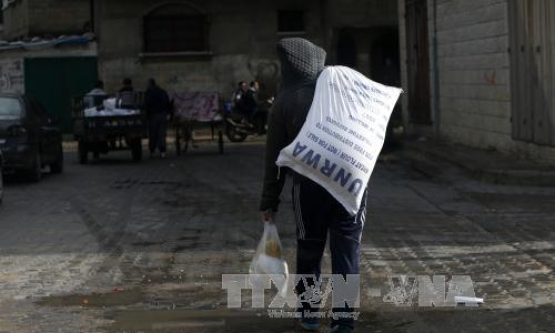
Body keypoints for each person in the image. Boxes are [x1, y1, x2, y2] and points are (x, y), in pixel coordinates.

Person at [260, 38, 363, 333]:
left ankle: (309, 315)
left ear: (289, 66)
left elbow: (275, 160)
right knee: (347, 251)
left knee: (309, 250)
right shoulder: (344, 92)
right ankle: (344, 321)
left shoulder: (285, 101)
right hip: (351, 185)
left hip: (309, 188)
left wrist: (269, 201)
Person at [144, 78, 171, 158]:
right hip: (163, 114)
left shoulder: (149, 93)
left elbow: (146, 104)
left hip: (153, 115)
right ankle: (162, 151)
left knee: (153, 134)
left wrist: (146, 115)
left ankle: (152, 150)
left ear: (150, 84)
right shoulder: (163, 92)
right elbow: (168, 103)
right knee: (161, 133)